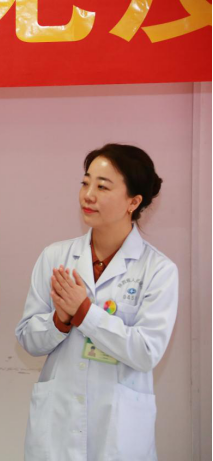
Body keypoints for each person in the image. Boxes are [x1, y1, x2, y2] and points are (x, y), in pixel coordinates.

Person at [15, 144, 178, 461]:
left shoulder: (159, 270)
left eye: (102, 187)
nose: (87, 195)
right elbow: (28, 339)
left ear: (133, 201)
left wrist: (85, 313)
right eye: (85, 183)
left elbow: (146, 352)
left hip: (119, 431)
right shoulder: (55, 257)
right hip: (58, 425)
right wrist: (60, 321)